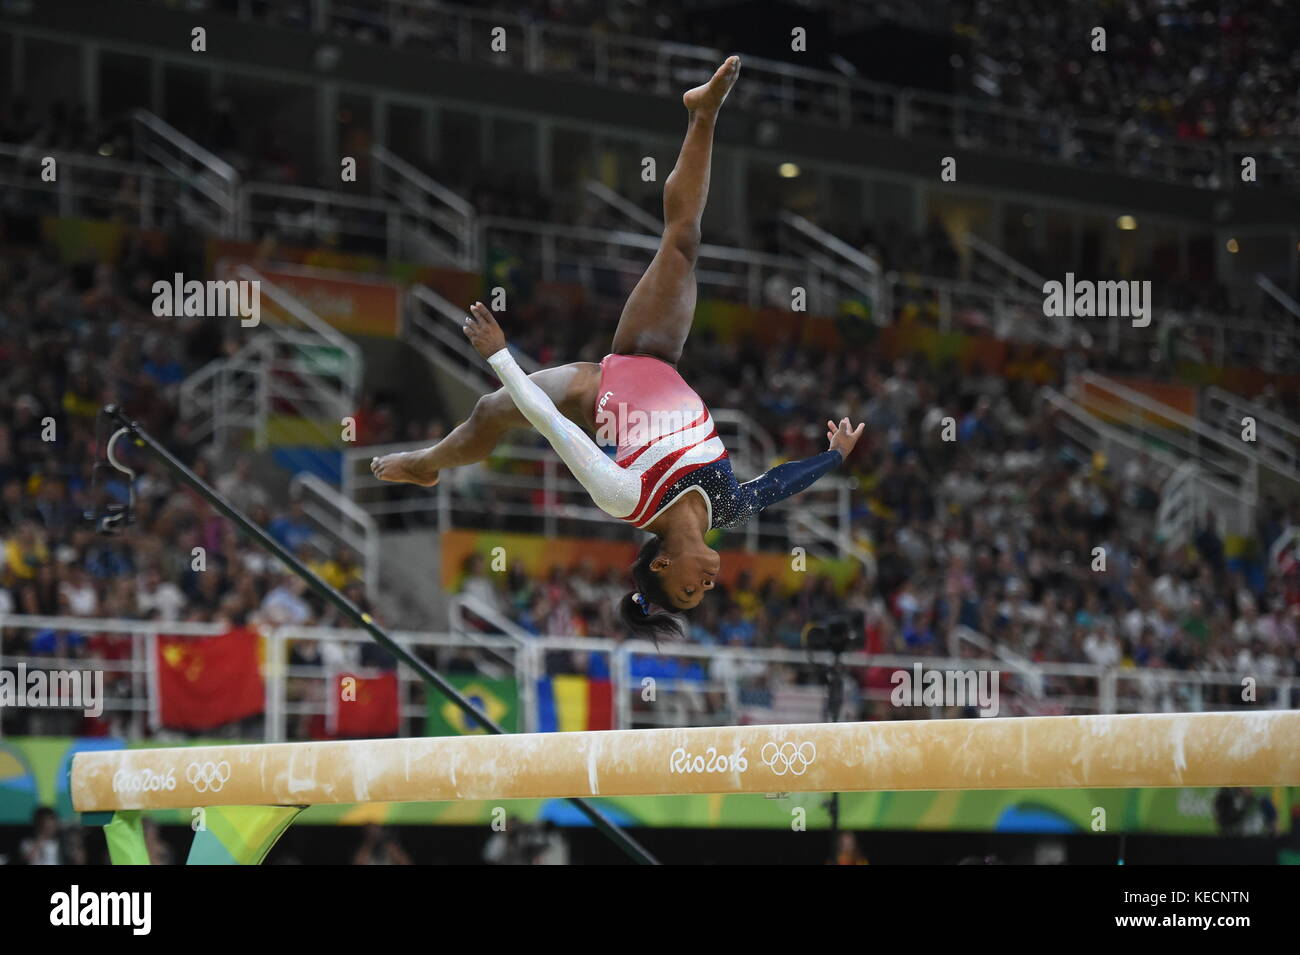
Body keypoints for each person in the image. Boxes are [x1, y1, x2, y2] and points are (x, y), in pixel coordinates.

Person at [372, 58, 863, 640]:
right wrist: (834, 458)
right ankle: (703, 113)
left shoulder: (624, 499)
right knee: (683, 240)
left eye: (688, 588)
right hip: (654, 357)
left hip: (592, 390)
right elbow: (781, 483)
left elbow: (555, 427)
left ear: (659, 564)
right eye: (704, 593)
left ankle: (427, 465)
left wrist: (501, 356)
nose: (707, 583)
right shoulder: (727, 506)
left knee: (489, 410)